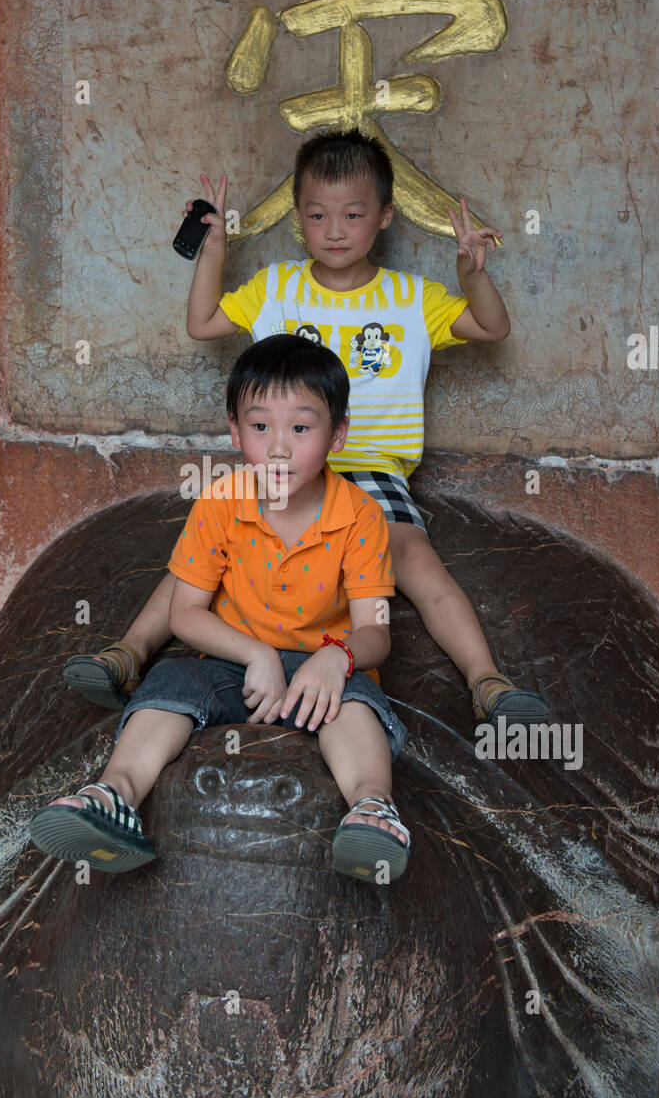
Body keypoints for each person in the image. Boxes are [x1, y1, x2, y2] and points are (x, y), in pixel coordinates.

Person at [64, 129, 549, 732]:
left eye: (353, 214)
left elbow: (490, 327)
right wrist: (214, 249)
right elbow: (203, 321)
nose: (336, 230)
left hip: (371, 472)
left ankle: (487, 683)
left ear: (385, 217)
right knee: (200, 562)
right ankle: (128, 654)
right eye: (318, 215)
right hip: (280, 468)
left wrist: (473, 275)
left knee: (418, 562)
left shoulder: (412, 297)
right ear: (299, 219)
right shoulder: (276, 288)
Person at [30, 335, 411, 882]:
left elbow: (376, 632)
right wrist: (253, 652)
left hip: (321, 675)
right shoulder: (220, 502)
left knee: (357, 704)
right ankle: (114, 795)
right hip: (235, 669)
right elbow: (185, 613)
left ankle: (373, 809)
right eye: (260, 427)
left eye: (301, 428)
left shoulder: (361, 517)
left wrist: (338, 657)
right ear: (234, 431)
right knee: (171, 683)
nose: (278, 448)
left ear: (338, 433)